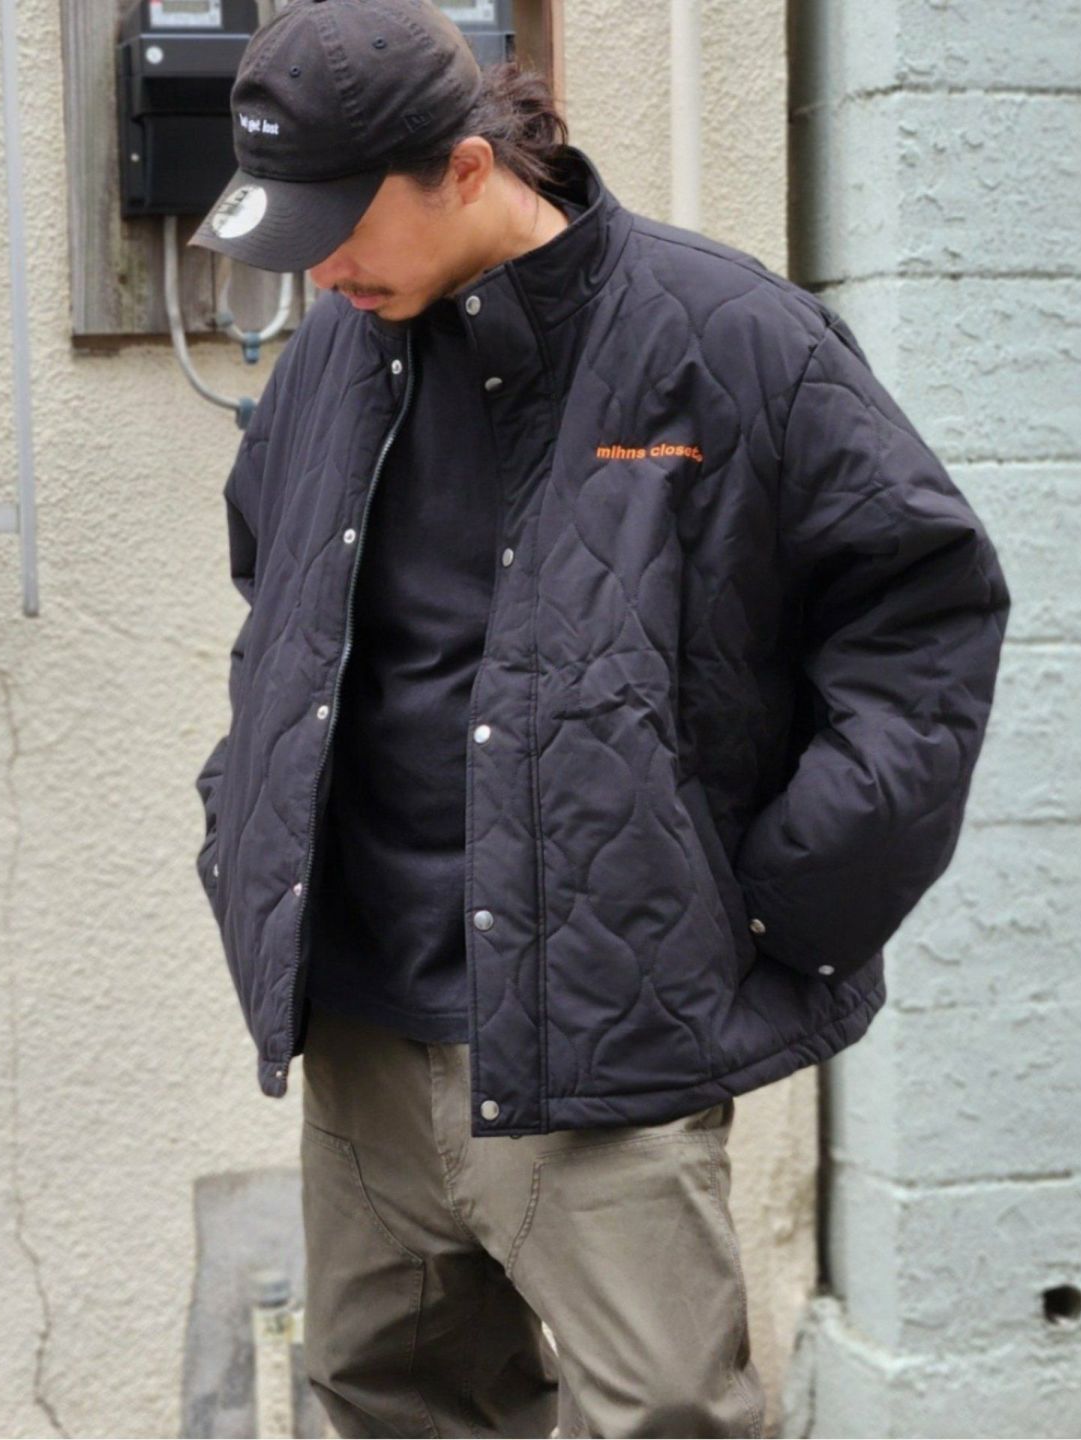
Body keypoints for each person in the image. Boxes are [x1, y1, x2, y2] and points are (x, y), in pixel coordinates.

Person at [189, 1, 1012, 1435]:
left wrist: (775, 900)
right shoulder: (327, 360)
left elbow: (922, 617)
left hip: (603, 1036)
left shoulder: (728, 337)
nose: (319, 269)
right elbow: (282, 612)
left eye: (343, 224)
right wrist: (238, 824)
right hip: (363, 1031)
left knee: (666, 1419)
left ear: (465, 167)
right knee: (388, 1399)